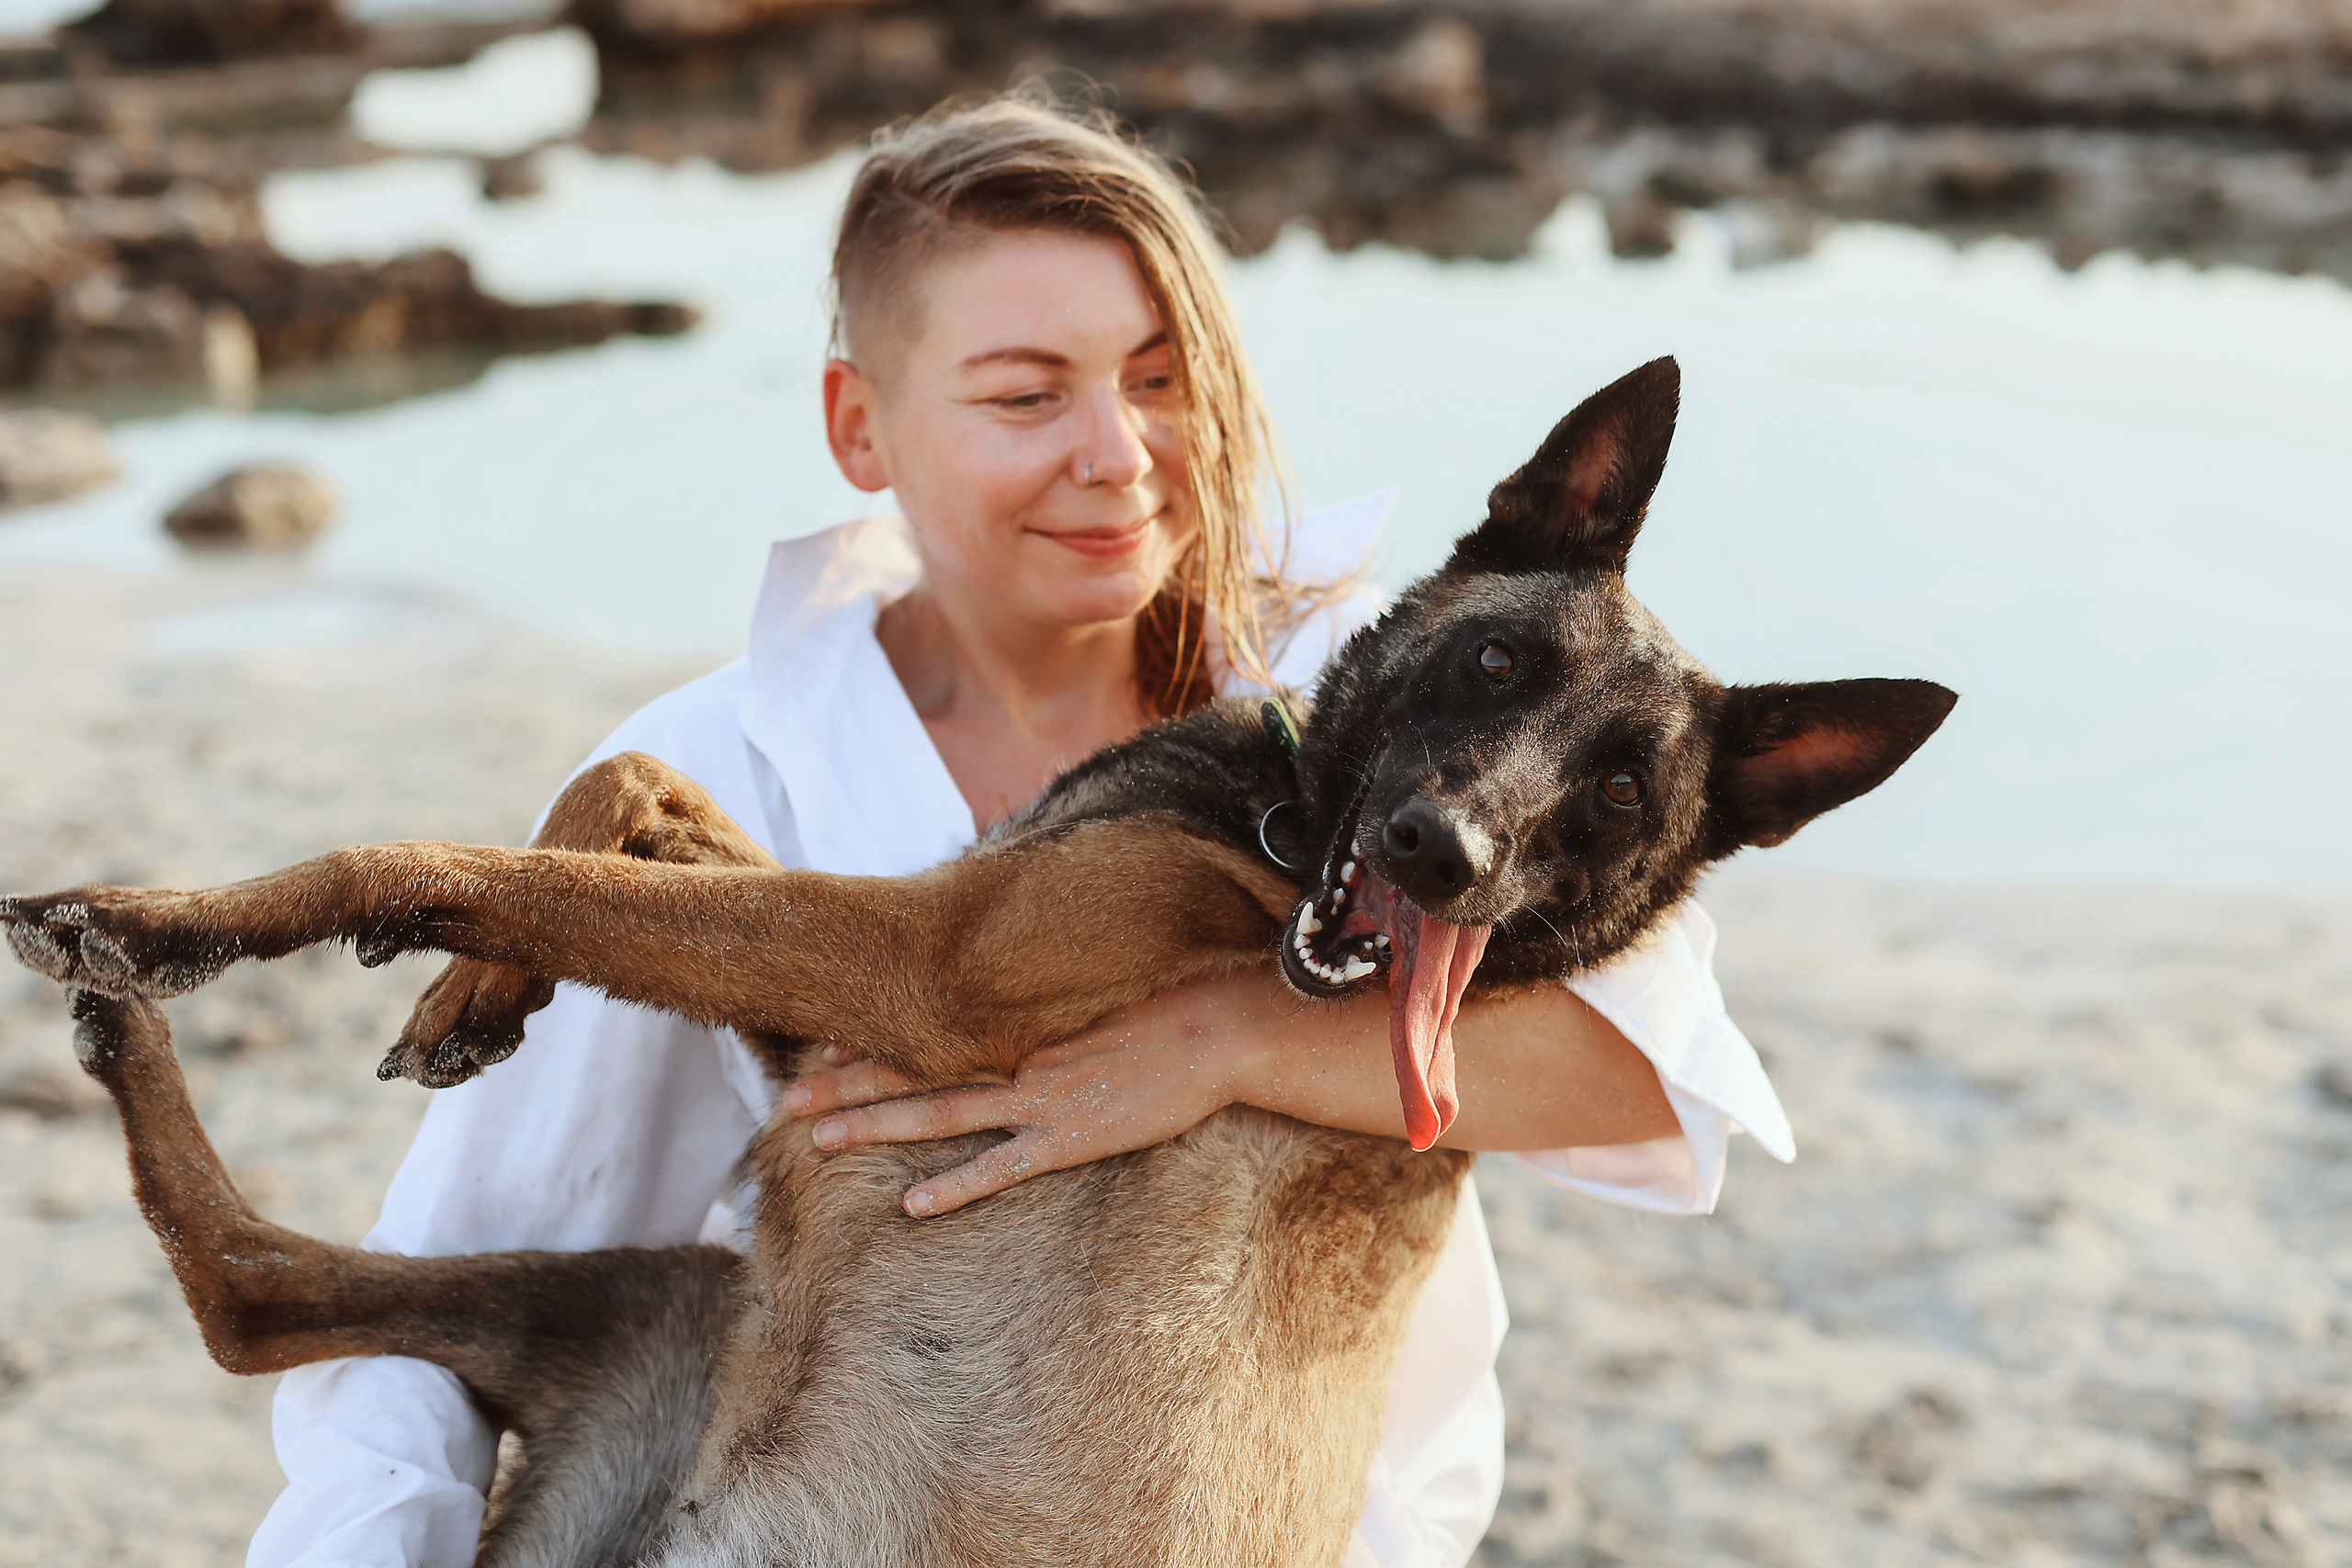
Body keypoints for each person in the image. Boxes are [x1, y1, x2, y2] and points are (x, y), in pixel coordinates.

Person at [249, 96, 1792, 1568]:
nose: (1116, 453)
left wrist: (1224, 1044)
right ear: (860, 425)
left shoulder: (1375, 701)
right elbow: (444, 1303)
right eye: (1024, 394)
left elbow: (1659, 1080)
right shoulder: (727, 769)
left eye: (1161, 377)